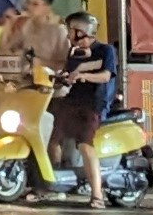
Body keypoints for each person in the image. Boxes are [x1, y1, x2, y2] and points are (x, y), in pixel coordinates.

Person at [49, 10, 119, 192]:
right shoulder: (74, 53)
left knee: (85, 145)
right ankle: (52, 184)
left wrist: (83, 75)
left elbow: (105, 76)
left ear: (81, 31)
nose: (67, 34)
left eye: (70, 30)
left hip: (93, 104)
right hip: (72, 100)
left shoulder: (105, 50)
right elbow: (68, 75)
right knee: (51, 137)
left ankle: (97, 195)